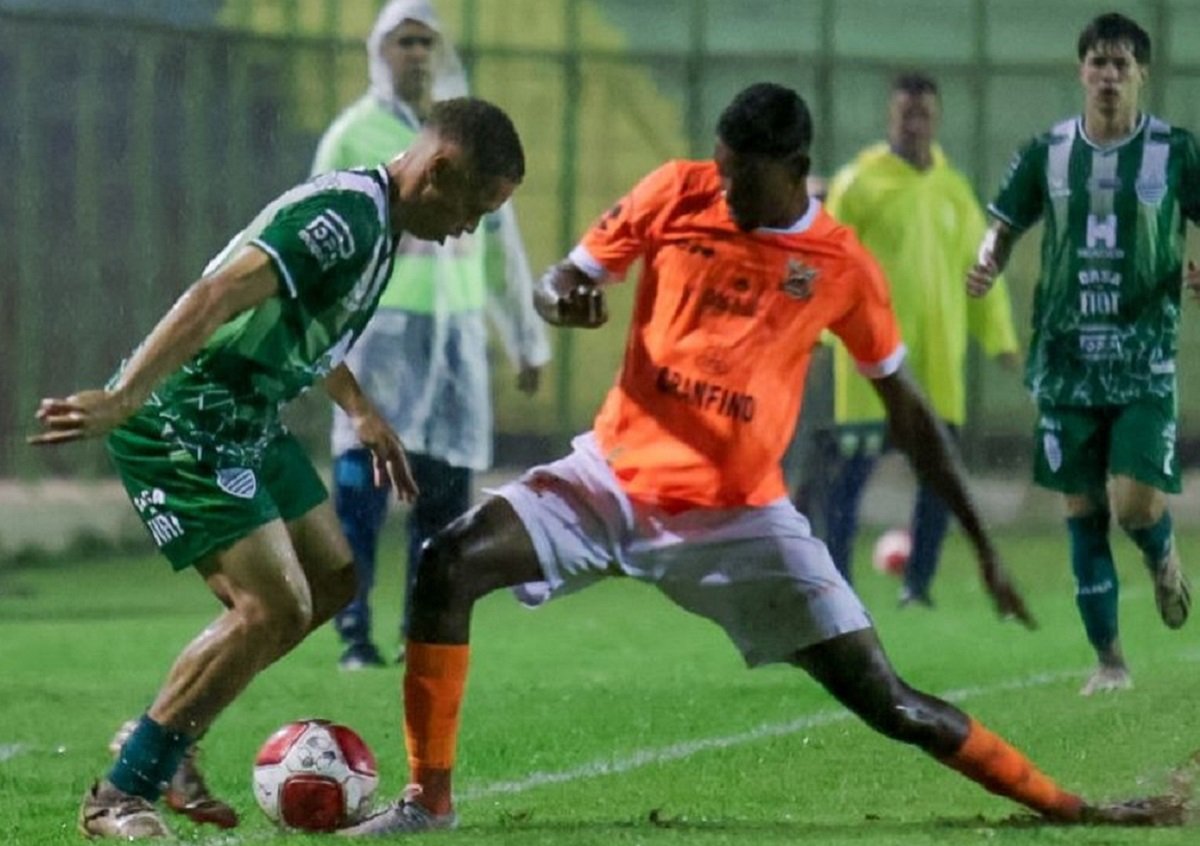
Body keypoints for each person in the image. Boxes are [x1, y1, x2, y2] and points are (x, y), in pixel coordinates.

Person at [342, 83, 1180, 836]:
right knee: (447, 561)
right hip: (611, 479)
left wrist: (982, 541)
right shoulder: (677, 191)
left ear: (796, 170)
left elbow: (910, 413)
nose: (724, 185)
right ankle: (428, 803)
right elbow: (561, 278)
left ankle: (1070, 806)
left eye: (741, 174)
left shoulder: (840, 265)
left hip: (739, 520)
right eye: (719, 165)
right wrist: (562, 299)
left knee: (892, 705)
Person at [29, 96, 525, 840]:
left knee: (332, 578)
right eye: (476, 208)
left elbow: (313, 329)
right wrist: (127, 396)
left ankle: (163, 734)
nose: (469, 230)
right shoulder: (348, 216)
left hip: (248, 418)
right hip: (187, 414)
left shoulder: (381, 225)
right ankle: (119, 793)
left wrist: (358, 409)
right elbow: (218, 293)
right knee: (273, 608)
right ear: (441, 170)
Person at [312, 0, 549, 671]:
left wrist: (524, 337)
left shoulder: (464, 134)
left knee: (445, 502)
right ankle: (354, 633)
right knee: (361, 497)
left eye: (426, 42)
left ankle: (426, 631)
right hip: (380, 337)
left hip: (454, 342)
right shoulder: (352, 135)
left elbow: (502, 244)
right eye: (403, 41)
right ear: (379, 50)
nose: (415, 54)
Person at [968, 12, 1196, 696]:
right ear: (1080, 72)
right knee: (1080, 512)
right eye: (1097, 63)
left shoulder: (1175, 150)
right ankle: (1110, 663)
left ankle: (1162, 558)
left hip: (1143, 358)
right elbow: (1003, 223)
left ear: (1141, 75)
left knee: (1131, 506)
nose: (1107, 76)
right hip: (1066, 360)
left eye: (1121, 65)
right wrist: (986, 263)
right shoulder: (1048, 153)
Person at [820, 72, 1020, 605]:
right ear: (891, 117)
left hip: (937, 366)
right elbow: (827, 258)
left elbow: (980, 266)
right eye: (906, 113)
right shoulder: (859, 183)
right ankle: (836, 586)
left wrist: (1000, 336)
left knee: (938, 480)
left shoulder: (953, 189)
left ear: (937, 119)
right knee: (847, 481)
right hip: (871, 366)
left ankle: (918, 586)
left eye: (924, 114)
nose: (915, 123)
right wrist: (814, 327)